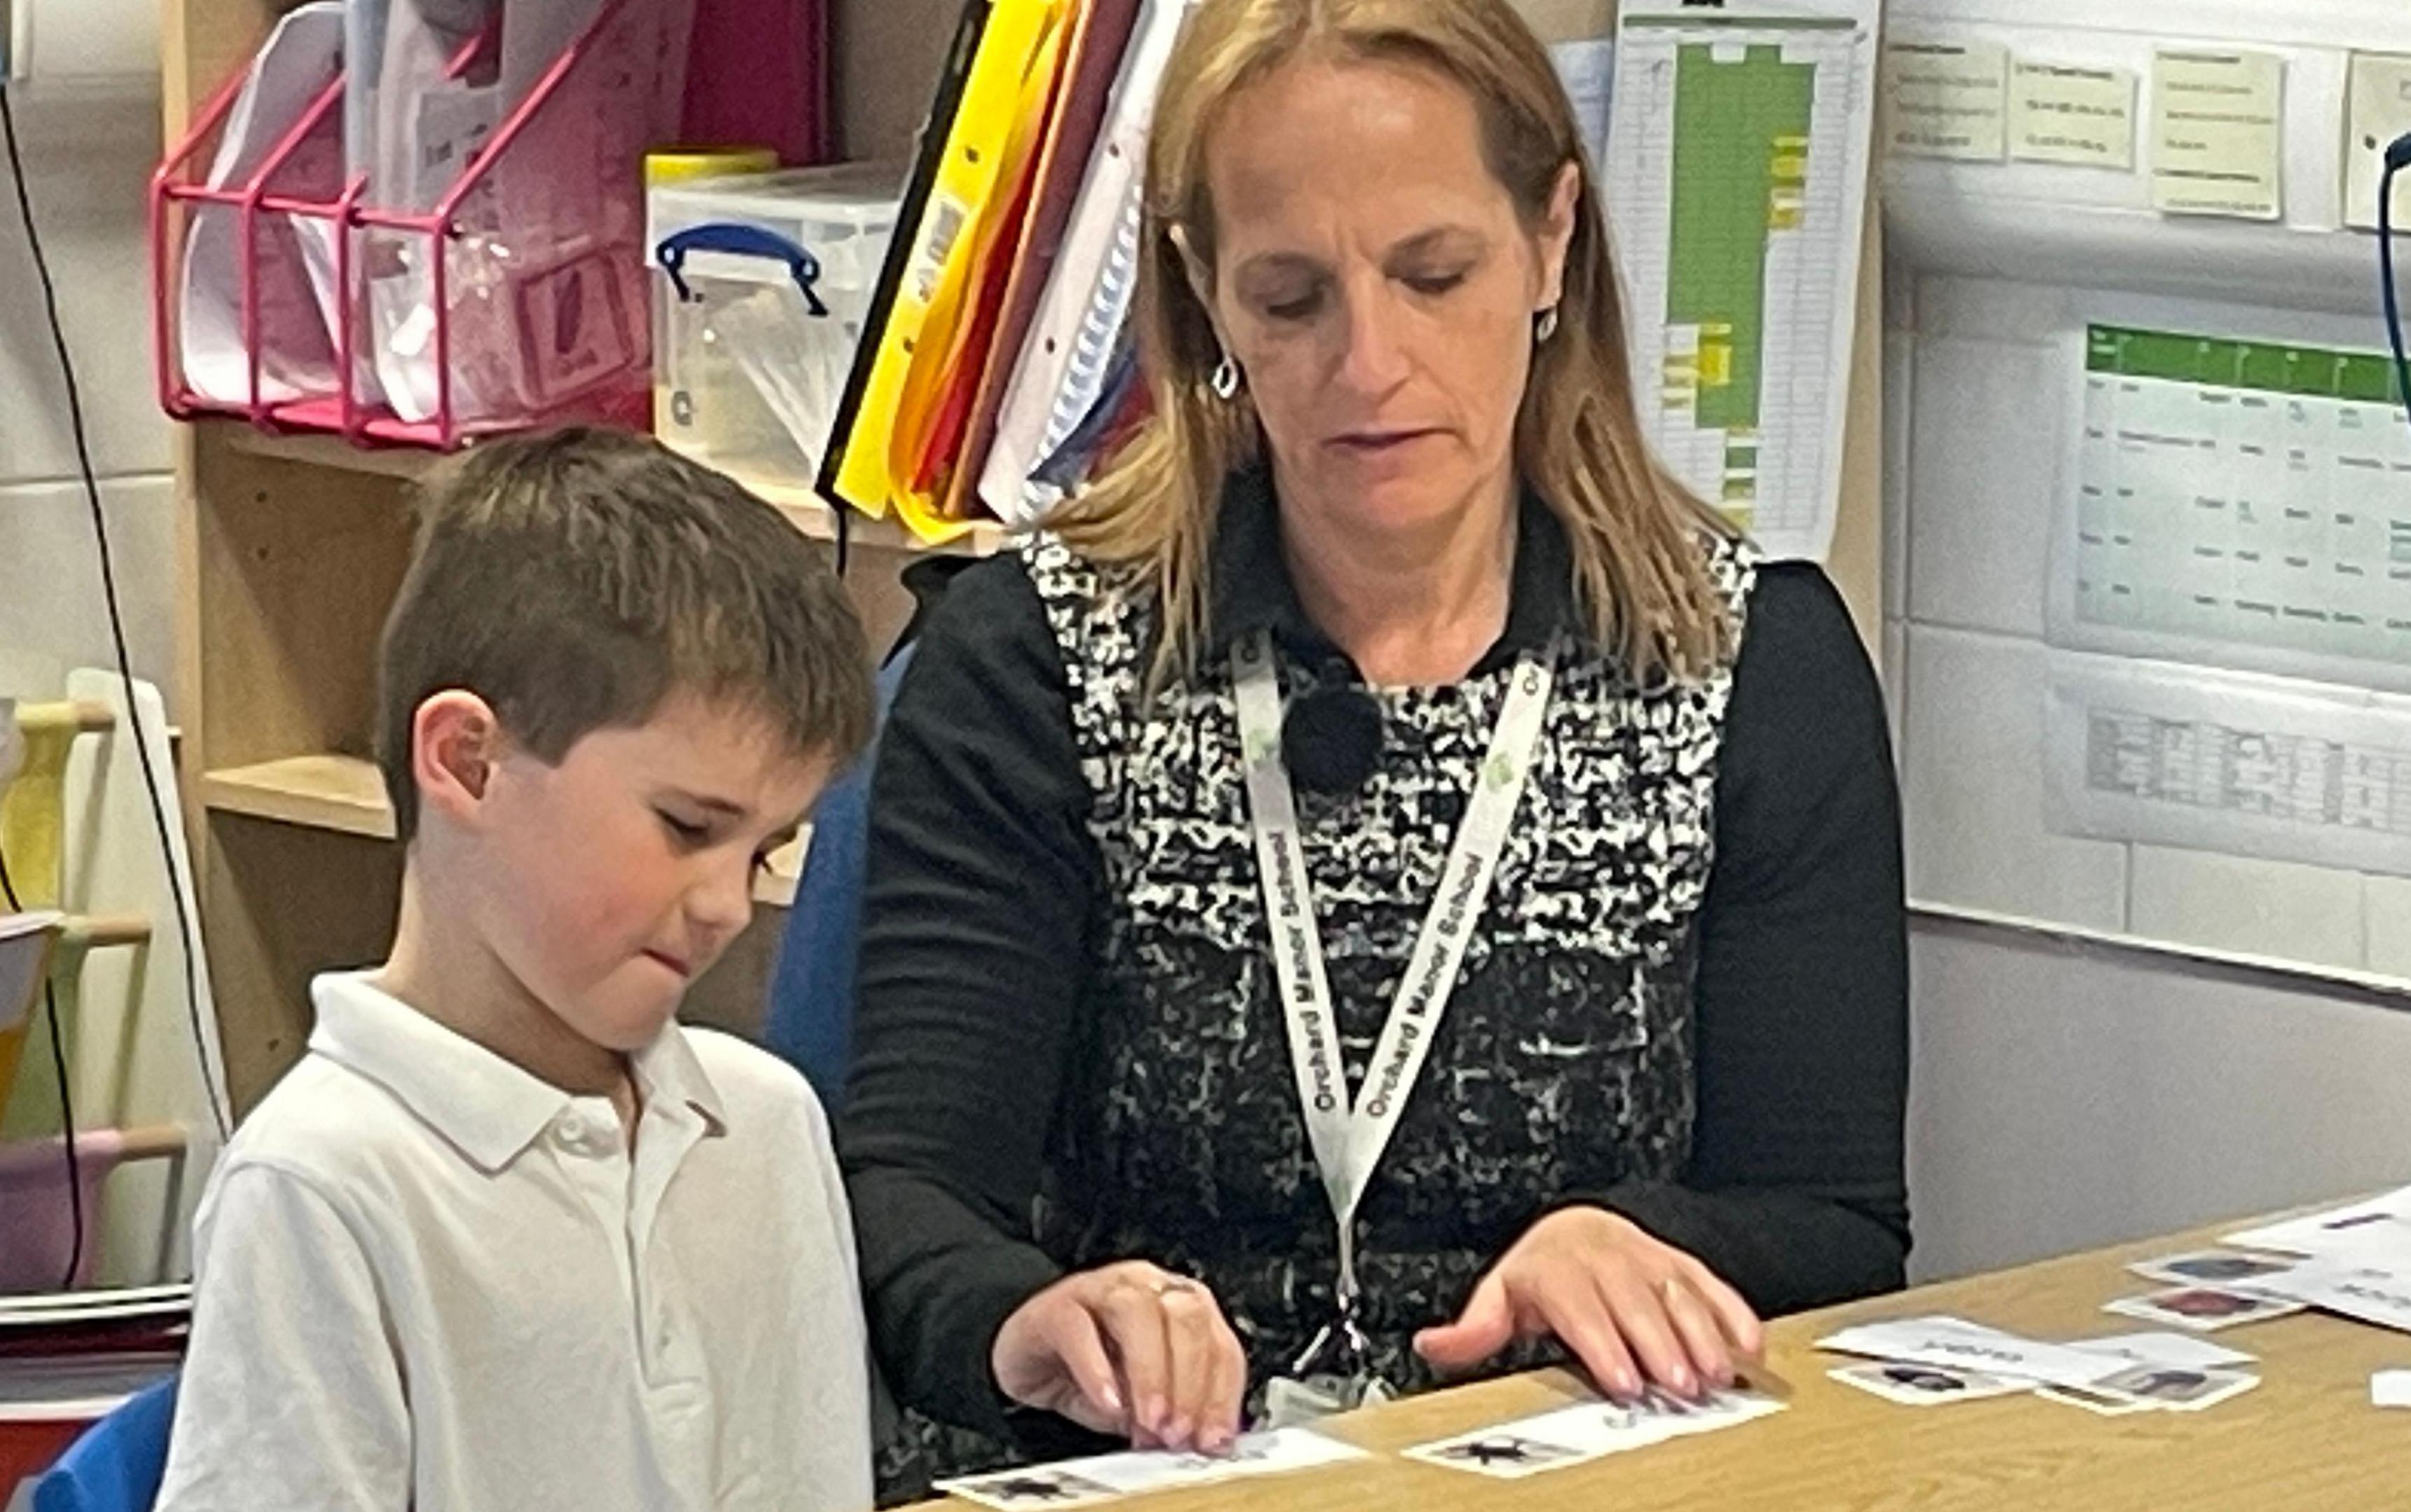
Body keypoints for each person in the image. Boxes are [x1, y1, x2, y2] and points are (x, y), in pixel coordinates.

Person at [841, 0, 1909, 1489]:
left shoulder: (1749, 662)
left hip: (1575, 1458)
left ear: (1551, 244)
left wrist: (1642, 1248)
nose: (1369, 362)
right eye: (1290, 299)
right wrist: (1027, 1322)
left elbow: (1839, 1226)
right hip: (1158, 1468)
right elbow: (901, 1195)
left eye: (1433, 275)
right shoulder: (1035, 658)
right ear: (1206, 300)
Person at [155, 430, 879, 1511]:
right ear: (466, 761)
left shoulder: (767, 1124)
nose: (731, 905)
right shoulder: (321, 1186)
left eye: (766, 851)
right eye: (687, 828)